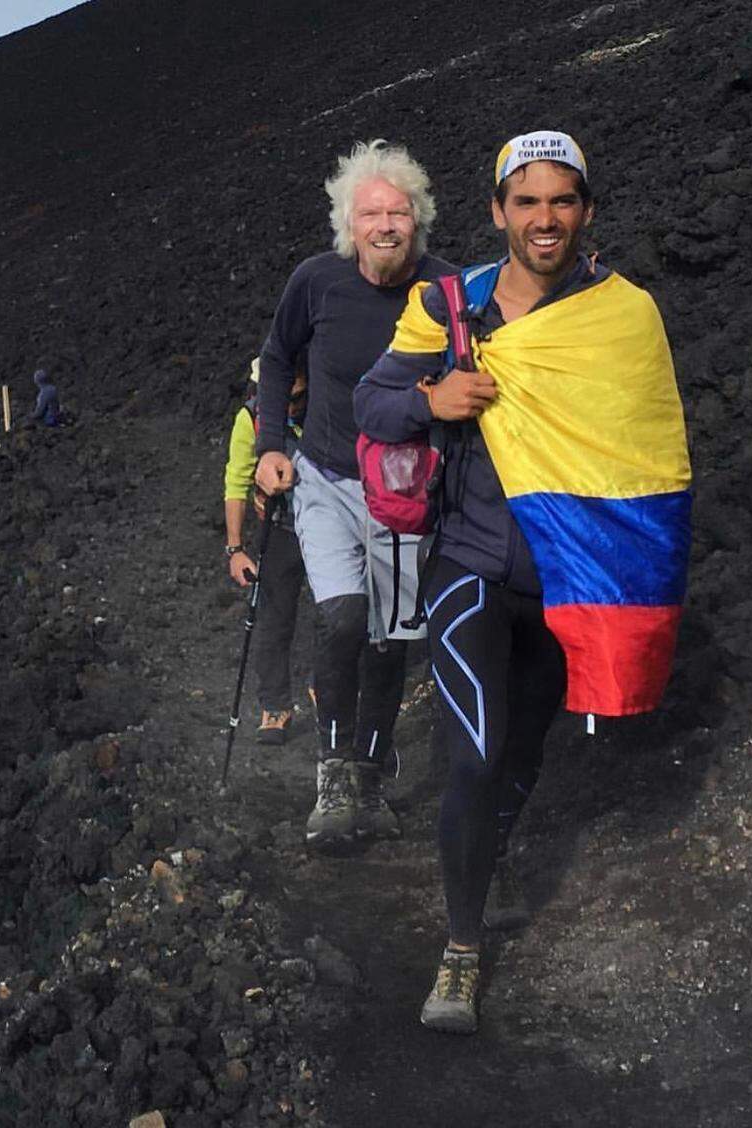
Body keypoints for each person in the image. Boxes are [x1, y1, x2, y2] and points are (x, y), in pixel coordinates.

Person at [354, 130, 694, 1034]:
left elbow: (646, 454)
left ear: (586, 211)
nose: (546, 219)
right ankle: (461, 951)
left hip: (571, 577)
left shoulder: (626, 316)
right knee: (472, 753)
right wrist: (431, 402)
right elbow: (370, 402)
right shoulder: (452, 304)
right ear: (499, 210)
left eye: (563, 202)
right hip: (470, 565)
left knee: (524, 753)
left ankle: (488, 854)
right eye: (527, 202)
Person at [254, 139, 454, 845]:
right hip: (329, 479)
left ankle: (371, 774)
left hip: (404, 492)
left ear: (417, 218)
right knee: (342, 619)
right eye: (371, 213)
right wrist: (270, 447)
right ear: (348, 223)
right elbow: (277, 360)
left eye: (398, 211)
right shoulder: (316, 282)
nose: (386, 225)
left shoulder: (446, 290)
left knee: (391, 639)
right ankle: (332, 776)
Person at [223, 356, 308, 744]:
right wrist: (236, 549)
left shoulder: (330, 405)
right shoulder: (251, 419)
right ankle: (275, 704)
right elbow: (236, 482)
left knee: (339, 612)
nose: (291, 407)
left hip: (333, 522)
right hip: (282, 528)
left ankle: (329, 685)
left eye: (298, 397)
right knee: (273, 617)